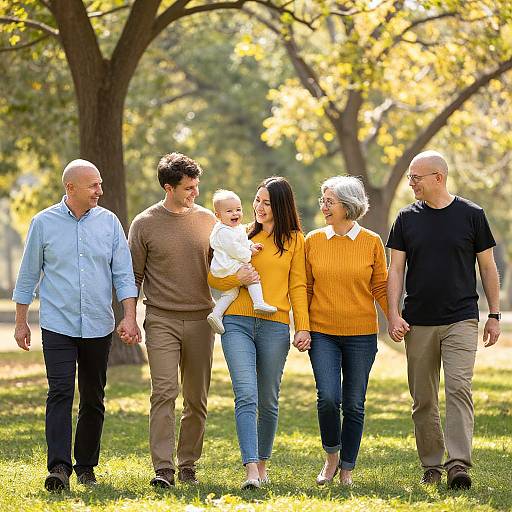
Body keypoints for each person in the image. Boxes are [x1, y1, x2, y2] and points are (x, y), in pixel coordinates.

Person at [12, 159, 140, 492]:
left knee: (94, 397)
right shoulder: (43, 223)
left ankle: (85, 467)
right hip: (58, 324)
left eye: (100, 183)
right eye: (93, 185)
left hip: (98, 323)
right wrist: (21, 322)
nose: (100, 190)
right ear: (71, 188)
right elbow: (28, 275)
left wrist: (129, 315)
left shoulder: (110, 223)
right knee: (60, 393)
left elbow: (123, 274)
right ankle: (58, 467)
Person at [386, 150, 501, 489]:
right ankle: (432, 465)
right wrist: (393, 313)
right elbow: (395, 269)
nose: (410, 183)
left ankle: (459, 465)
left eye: (415, 177)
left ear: (438, 177)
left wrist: (493, 314)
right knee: (423, 397)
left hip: (461, 319)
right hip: (418, 320)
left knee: (459, 389)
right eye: (409, 177)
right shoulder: (406, 218)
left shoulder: (472, 215)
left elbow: (488, 266)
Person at [208, 176, 310, 490]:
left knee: (268, 399)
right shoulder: (238, 233)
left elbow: (298, 286)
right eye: (257, 200)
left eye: (266, 202)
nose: (258, 207)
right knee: (246, 395)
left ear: (280, 205)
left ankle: (263, 464)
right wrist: (236, 277)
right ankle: (251, 469)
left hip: (275, 324)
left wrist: (302, 326)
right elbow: (215, 278)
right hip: (236, 322)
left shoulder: (294, 240)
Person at [128, 152, 216, 487]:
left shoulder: (208, 220)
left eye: (196, 186)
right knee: (163, 392)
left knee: (196, 398)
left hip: (201, 320)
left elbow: (223, 266)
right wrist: (130, 318)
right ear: (169, 187)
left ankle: (188, 464)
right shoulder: (144, 223)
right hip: (161, 318)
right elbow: (132, 277)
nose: (195, 192)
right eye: (189, 187)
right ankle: (163, 469)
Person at [305, 175, 388, 486]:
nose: (323, 206)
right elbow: (305, 288)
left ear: (348, 205)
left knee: (354, 403)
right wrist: (301, 326)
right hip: (322, 332)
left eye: (329, 201)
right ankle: (331, 458)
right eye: (323, 200)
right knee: (328, 397)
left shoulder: (371, 242)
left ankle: (348, 470)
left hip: (362, 334)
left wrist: (393, 318)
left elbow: (380, 286)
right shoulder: (312, 240)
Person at [208, 189, 277, 334]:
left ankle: (216, 314)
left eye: (238, 209)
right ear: (218, 216)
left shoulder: (236, 228)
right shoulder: (223, 231)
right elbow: (235, 249)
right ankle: (258, 302)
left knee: (230, 294)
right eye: (229, 211)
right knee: (251, 276)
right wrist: (249, 253)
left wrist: (251, 245)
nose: (235, 213)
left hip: (226, 266)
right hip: (226, 266)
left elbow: (242, 240)